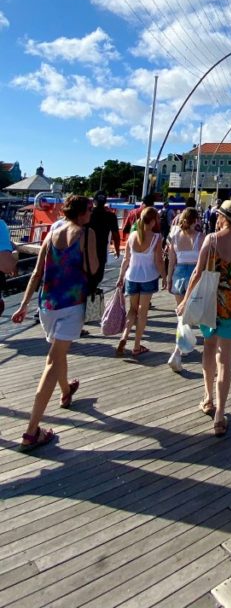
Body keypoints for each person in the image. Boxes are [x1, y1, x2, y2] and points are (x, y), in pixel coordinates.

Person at [11, 195, 98, 452]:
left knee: (58, 352)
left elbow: (37, 273)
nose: (92, 213)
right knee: (52, 361)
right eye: (90, 209)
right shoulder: (85, 234)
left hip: (46, 304)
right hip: (71, 305)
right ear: (81, 214)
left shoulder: (52, 231)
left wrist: (24, 304)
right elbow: (92, 268)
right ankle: (31, 431)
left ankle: (66, 389)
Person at [177, 199, 231, 435]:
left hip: (210, 301)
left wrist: (186, 301)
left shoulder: (211, 240)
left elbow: (197, 273)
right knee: (226, 359)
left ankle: (208, 398)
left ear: (221, 217)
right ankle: (220, 414)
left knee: (209, 349)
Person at [115, 206, 166, 357]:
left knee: (132, 310)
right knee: (143, 312)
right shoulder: (156, 238)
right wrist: (164, 277)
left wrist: (120, 277)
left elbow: (126, 259)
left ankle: (124, 336)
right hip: (148, 277)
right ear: (153, 220)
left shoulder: (132, 236)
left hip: (132, 276)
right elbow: (158, 261)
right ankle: (136, 346)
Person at [166, 208, 204, 372]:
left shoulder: (175, 236)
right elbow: (203, 262)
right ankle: (177, 351)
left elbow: (172, 260)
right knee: (187, 316)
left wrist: (168, 279)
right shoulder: (200, 237)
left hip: (178, 274)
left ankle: (183, 346)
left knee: (181, 315)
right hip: (194, 276)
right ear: (195, 220)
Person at [88, 191, 120, 293]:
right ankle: (93, 291)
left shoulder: (88, 214)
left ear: (94, 201)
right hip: (101, 248)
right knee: (98, 274)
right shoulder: (110, 216)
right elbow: (115, 235)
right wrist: (117, 249)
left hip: (87, 247)